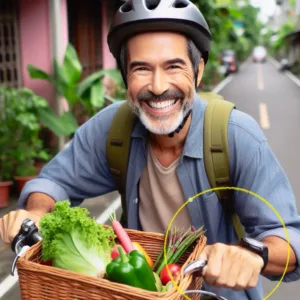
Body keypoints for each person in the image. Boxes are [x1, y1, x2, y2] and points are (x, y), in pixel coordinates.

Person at [1, 0, 300, 299]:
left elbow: (290, 240)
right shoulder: (111, 127)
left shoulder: (237, 136)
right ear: (125, 77)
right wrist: (36, 212)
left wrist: (253, 254)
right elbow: (55, 181)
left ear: (198, 71)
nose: (157, 87)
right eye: (141, 68)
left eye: (173, 66)